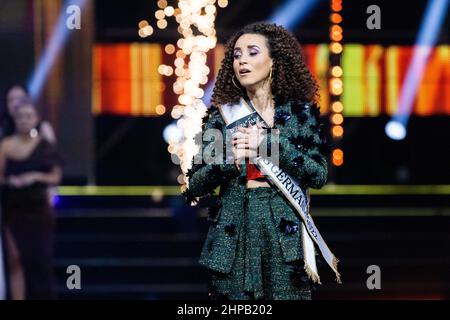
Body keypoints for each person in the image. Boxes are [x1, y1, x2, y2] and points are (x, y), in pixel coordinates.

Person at [184, 22, 332, 300]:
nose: (242, 61)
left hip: (283, 236)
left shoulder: (300, 115)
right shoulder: (221, 117)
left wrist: (268, 145)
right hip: (233, 235)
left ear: (275, 60)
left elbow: (318, 175)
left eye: (252, 53)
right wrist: (228, 161)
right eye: (237, 55)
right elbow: (194, 185)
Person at [0, 103, 62, 299]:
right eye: (20, 117)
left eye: (28, 116)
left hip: (38, 209)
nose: (24, 120)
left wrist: (34, 176)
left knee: (40, 259)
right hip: (14, 208)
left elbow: (55, 177)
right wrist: (11, 181)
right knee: (15, 259)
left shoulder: (44, 145)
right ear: (14, 120)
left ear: (36, 119)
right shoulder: (5, 145)